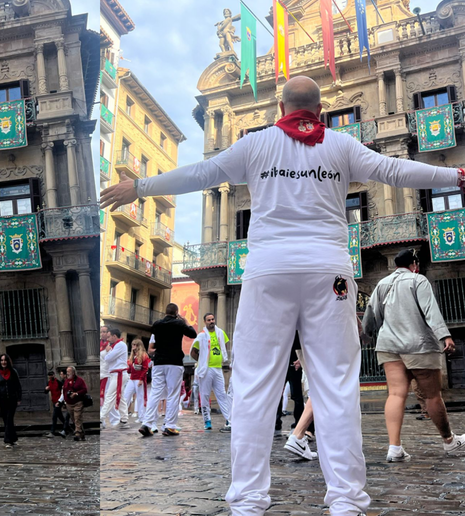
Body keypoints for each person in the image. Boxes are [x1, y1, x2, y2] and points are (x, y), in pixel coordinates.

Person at [101, 75, 465, 515]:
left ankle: (249, 502)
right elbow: (393, 168)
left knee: (255, 387)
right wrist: (455, 174)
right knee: (335, 386)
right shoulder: (341, 145)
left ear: (281, 107)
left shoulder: (257, 145)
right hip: (329, 273)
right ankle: (347, 501)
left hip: (268, 272)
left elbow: (200, 173)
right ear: (319, 110)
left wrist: (138, 188)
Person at [363, 248, 465, 461]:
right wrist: (444, 335)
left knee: (396, 394)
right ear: (414, 264)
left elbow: (371, 317)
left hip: (389, 345)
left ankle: (394, 448)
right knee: (432, 396)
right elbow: (430, 310)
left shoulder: (382, 284)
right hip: (418, 345)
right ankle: (449, 441)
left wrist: (369, 334)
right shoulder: (418, 280)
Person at [138, 304, 197, 437]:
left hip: (159, 362)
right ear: (176, 312)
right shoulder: (179, 324)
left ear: (165, 312)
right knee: (173, 394)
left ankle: (146, 424)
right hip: (174, 362)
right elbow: (193, 334)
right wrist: (185, 322)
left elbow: (153, 343)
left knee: (155, 393)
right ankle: (169, 426)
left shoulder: (157, 324)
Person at [191, 313, 231, 432]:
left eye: (213, 319)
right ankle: (207, 420)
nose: (211, 321)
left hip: (218, 368)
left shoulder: (221, 333)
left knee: (222, 395)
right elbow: (193, 352)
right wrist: (202, 360)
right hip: (206, 369)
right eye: (209, 320)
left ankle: (229, 419)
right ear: (205, 322)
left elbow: (225, 345)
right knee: (205, 395)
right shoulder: (201, 336)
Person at [100, 328, 130, 429]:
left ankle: (101, 418)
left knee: (109, 396)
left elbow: (108, 358)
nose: (108, 339)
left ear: (114, 336)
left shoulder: (120, 345)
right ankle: (124, 419)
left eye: (109, 336)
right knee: (120, 397)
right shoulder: (117, 345)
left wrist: (109, 351)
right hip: (116, 374)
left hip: (118, 374)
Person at [0, 354, 22, 449]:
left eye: (5, 360)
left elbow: (18, 386)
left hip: (12, 399)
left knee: (9, 418)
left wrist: (19, 398)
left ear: (8, 361)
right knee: (6, 420)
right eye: (1, 360)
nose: (3, 362)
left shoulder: (13, 372)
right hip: (2, 399)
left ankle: (7, 440)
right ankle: (14, 438)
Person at [124, 339, 150, 424]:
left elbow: (145, 368)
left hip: (139, 379)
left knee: (140, 398)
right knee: (126, 396)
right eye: (132, 345)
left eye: (135, 345)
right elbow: (130, 370)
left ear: (139, 346)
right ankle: (123, 416)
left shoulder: (144, 356)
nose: (133, 346)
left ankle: (142, 417)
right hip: (132, 378)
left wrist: (141, 379)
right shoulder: (133, 356)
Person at [62, 366, 88, 441]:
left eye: (69, 371)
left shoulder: (79, 380)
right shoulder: (66, 381)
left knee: (77, 417)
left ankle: (77, 433)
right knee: (74, 419)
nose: (67, 373)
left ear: (73, 372)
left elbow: (84, 389)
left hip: (78, 402)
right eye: (67, 371)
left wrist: (76, 393)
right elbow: (64, 391)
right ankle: (82, 433)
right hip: (69, 403)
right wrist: (64, 401)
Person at [44, 370, 66, 438]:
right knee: (60, 416)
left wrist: (63, 402)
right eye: (50, 375)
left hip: (59, 401)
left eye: (52, 375)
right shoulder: (49, 383)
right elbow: (45, 392)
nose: (51, 376)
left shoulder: (59, 382)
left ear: (54, 375)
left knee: (54, 416)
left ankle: (52, 431)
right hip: (54, 401)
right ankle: (67, 427)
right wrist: (46, 389)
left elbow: (63, 392)